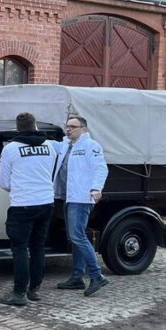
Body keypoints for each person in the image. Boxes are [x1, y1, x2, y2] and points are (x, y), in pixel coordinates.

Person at [0, 112, 58, 306]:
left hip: (23, 204)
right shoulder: (49, 147)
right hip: (46, 202)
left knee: (20, 248)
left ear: (17, 128)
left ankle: (19, 292)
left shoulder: (11, 149)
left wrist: (19, 187)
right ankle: (34, 289)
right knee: (38, 246)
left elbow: (4, 182)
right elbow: (51, 173)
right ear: (35, 126)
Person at [54, 114, 110, 297]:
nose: (68, 129)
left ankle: (96, 275)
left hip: (81, 198)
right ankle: (77, 277)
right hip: (69, 197)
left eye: (73, 127)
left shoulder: (90, 145)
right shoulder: (66, 144)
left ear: (83, 129)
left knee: (77, 236)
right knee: (76, 237)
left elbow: (101, 168)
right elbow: (49, 145)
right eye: (67, 126)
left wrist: (96, 188)